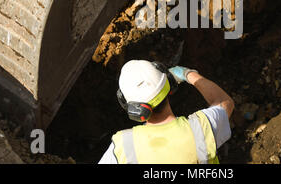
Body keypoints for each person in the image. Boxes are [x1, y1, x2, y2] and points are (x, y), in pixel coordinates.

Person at [99, 60, 234, 164]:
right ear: (168, 83)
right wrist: (188, 74)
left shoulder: (122, 146)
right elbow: (224, 102)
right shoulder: (201, 128)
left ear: (131, 108)